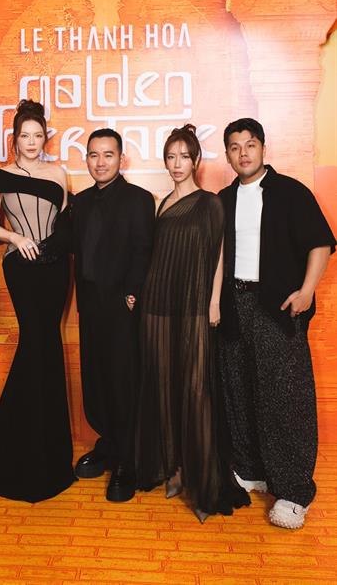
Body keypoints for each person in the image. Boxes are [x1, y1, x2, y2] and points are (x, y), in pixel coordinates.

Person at [218, 117, 335, 529]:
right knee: (238, 389)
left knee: (285, 397)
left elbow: (320, 243)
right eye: (235, 147)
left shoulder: (290, 192)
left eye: (250, 144)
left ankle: (294, 491)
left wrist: (306, 291)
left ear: (263, 148)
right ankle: (250, 470)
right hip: (234, 304)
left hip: (276, 305)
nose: (243, 153)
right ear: (227, 154)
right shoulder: (223, 199)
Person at [135, 125, 250, 521]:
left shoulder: (210, 203)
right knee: (163, 387)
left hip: (194, 305)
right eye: (171, 157)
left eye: (184, 156)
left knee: (195, 389)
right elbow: (156, 255)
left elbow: (218, 256)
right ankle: (176, 470)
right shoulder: (162, 203)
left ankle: (203, 481)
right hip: (156, 304)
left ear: (196, 160)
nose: (177, 164)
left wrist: (214, 301)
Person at [0, 99, 75, 502]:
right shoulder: (0, 175)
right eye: (24, 135)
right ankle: (18, 447)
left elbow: (65, 222)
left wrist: (53, 248)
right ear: (14, 139)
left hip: (56, 267)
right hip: (21, 265)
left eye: (37, 135)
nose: (31, 141)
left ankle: (50, 449)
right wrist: (17, 237)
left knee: (49, 343)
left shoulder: (58, 172)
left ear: (45, 138)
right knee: (34, 342)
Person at [73, 128, 154, 502]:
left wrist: (133, 292)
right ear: (87, 159)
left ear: (121, 159)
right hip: (90, 304)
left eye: (108, 155)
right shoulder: (80, 202)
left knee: (124, 381)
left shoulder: (139, 200)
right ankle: (107, 443)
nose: (100, 162)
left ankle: (127, 461)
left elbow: (143, 249)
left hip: (123, 306)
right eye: (94, 155)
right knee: (97, 378)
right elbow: (65, 242)